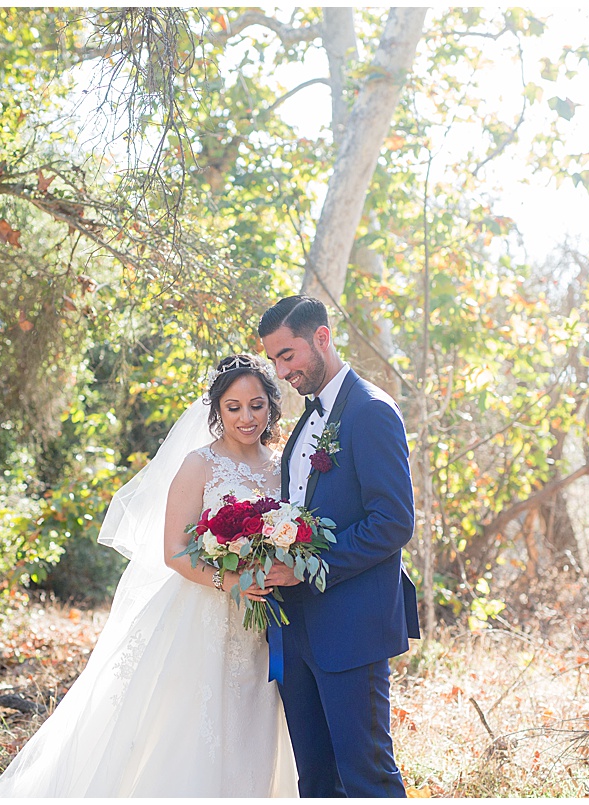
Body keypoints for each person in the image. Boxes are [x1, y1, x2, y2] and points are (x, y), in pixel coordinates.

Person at [0, 354, 298, 797]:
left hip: (264, 622)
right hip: (204, 616)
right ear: (217, 410)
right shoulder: (199, 465)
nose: (247, 417)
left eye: (257, 405)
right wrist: (232, 581)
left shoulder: (284, 466)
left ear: (272, 406)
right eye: (234, 406)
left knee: (253, 720)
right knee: (195, 727)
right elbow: (174, 552)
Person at [258, 295, 421, 798]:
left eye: (287, 355)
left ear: (322, 338)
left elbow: (393, 522)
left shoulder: (371, 412)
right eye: (274, 360)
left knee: (366, 776)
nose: (281, 371)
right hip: (295, 627)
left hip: (351, 627)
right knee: (317, 780)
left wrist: (306, 569)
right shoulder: (306, 421)